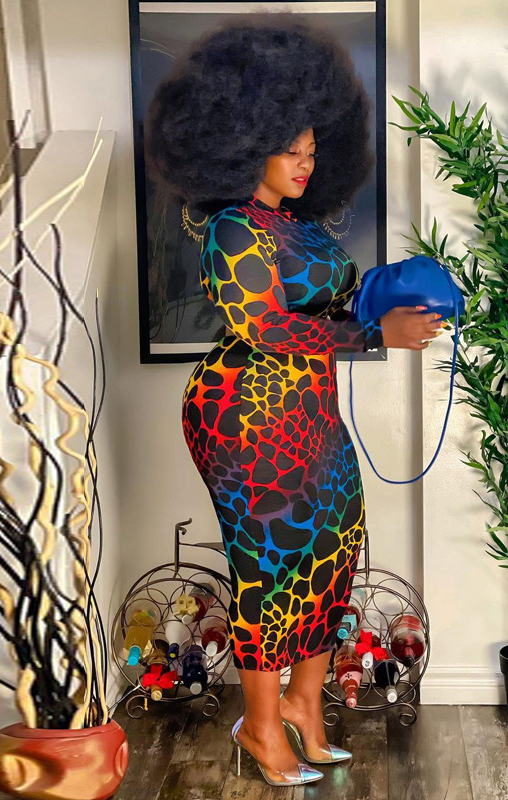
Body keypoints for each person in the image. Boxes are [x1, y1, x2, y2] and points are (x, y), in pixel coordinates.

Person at [146, 14, 445, 787]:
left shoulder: (298, 228)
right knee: (270, 567)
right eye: (291, 150)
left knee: (334, 552)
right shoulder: (231, 230)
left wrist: (392, 300)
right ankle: (260, 725)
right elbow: (266, 327)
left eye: (314, 150)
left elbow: (332, 306)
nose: (307, 164)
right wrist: (377, 336)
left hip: (310, 410)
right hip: (243, 412)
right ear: (244, 144)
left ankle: (305, 708)